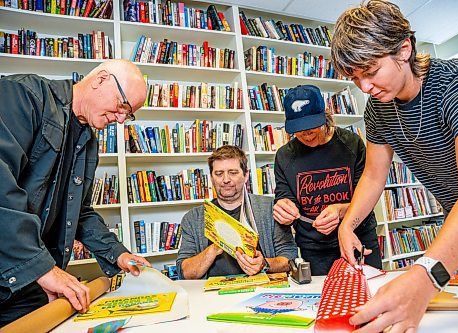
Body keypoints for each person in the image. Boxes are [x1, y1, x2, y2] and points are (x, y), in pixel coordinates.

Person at [330, 1, 458, 332]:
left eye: (371, 71)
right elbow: (374, 175)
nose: (364, 87)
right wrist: (347, 225)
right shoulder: (378, 110)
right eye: (355, 77)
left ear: (404, 49)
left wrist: (425, 276)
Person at [0, 59, 152, 327]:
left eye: (128, 115)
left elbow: (79, 212)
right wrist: (42, 267)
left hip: (32, 282)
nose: (120, 119)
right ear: (101, 79)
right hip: (19, 268)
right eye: (122, 106)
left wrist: (117, 253)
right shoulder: (24, 95)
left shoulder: (88, 141)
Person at [272, 84, 382, 276]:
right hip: (314, 249)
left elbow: (368, 198)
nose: (306, 134)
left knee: (369, 294)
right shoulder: (284, 156)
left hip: (358, 237)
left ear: (324, 114)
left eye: (312, 125)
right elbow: (284, 198)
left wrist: (340, 210)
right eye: (299, 128)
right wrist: (284, 207)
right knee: (322, 301)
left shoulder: (351, 144)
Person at [176, 145, 297, 279]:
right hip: (213, 296)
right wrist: (215, 247)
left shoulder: (269, 208)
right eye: (219, 173)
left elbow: (290, 259)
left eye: (233, 173)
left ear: (246, 175)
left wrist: (264, 264)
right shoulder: (193, 218)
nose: (226, 179)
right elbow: (185, 273)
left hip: (262, 291)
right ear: (211, 178)